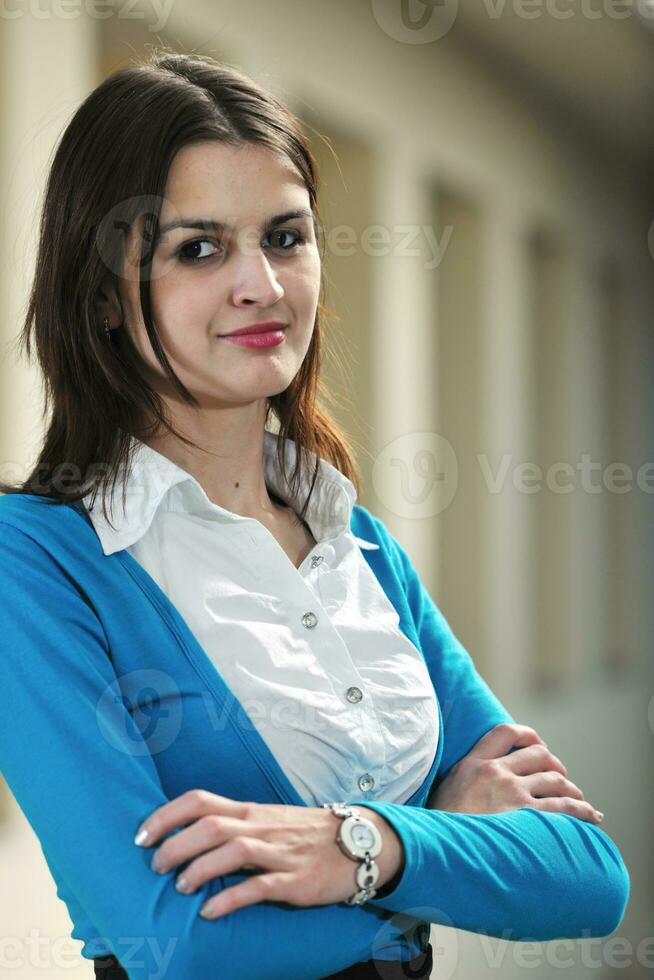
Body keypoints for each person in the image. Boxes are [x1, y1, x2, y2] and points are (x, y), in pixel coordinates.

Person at [0, 49, 628, 980]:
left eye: (286, 237)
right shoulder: (40, 562)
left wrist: (364, 845)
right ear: (101, 297)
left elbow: (588, 878)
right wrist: (441, 841)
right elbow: (170, 940)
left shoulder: (360, 547)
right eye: (198, 249)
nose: (263, 285)